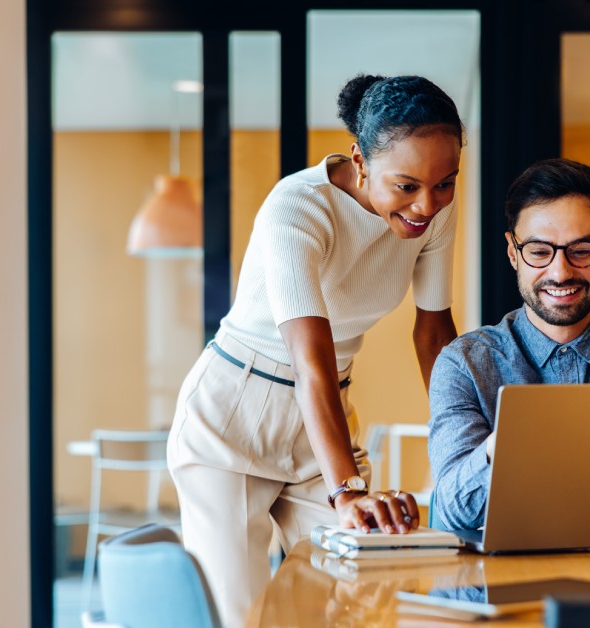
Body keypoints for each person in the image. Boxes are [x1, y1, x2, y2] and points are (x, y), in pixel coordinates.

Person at [166, 74, 465, 626]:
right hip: (233, 418)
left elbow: (434, 334)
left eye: (445, 182)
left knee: (360, 599)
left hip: (322, 418)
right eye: (407, 186)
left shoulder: (433, 211)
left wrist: (464, 443)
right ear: (360, 159)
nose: (428, 203)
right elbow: (311, 360)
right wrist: (347, 489)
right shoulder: (297, 209)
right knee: (243, 616)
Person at [428, 157, 590, 531]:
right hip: (499, 582)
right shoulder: (464, 364)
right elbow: (456, 509)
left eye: (581, 251)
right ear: (512, 253)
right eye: (538, 251)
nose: (560, 271)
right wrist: (511, 442)